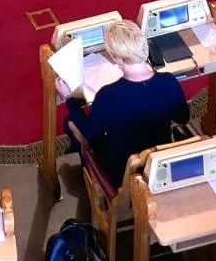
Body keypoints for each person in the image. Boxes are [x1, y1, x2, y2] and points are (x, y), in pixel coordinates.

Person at [61, 20, 187, 185]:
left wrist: (69, 98)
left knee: (70, 120)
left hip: (122, 171)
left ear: (118, 60)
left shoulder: (108, 95)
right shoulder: (169, 81)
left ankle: (85, 164)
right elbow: (183, 118)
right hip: (159, 163)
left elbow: (90, 133)